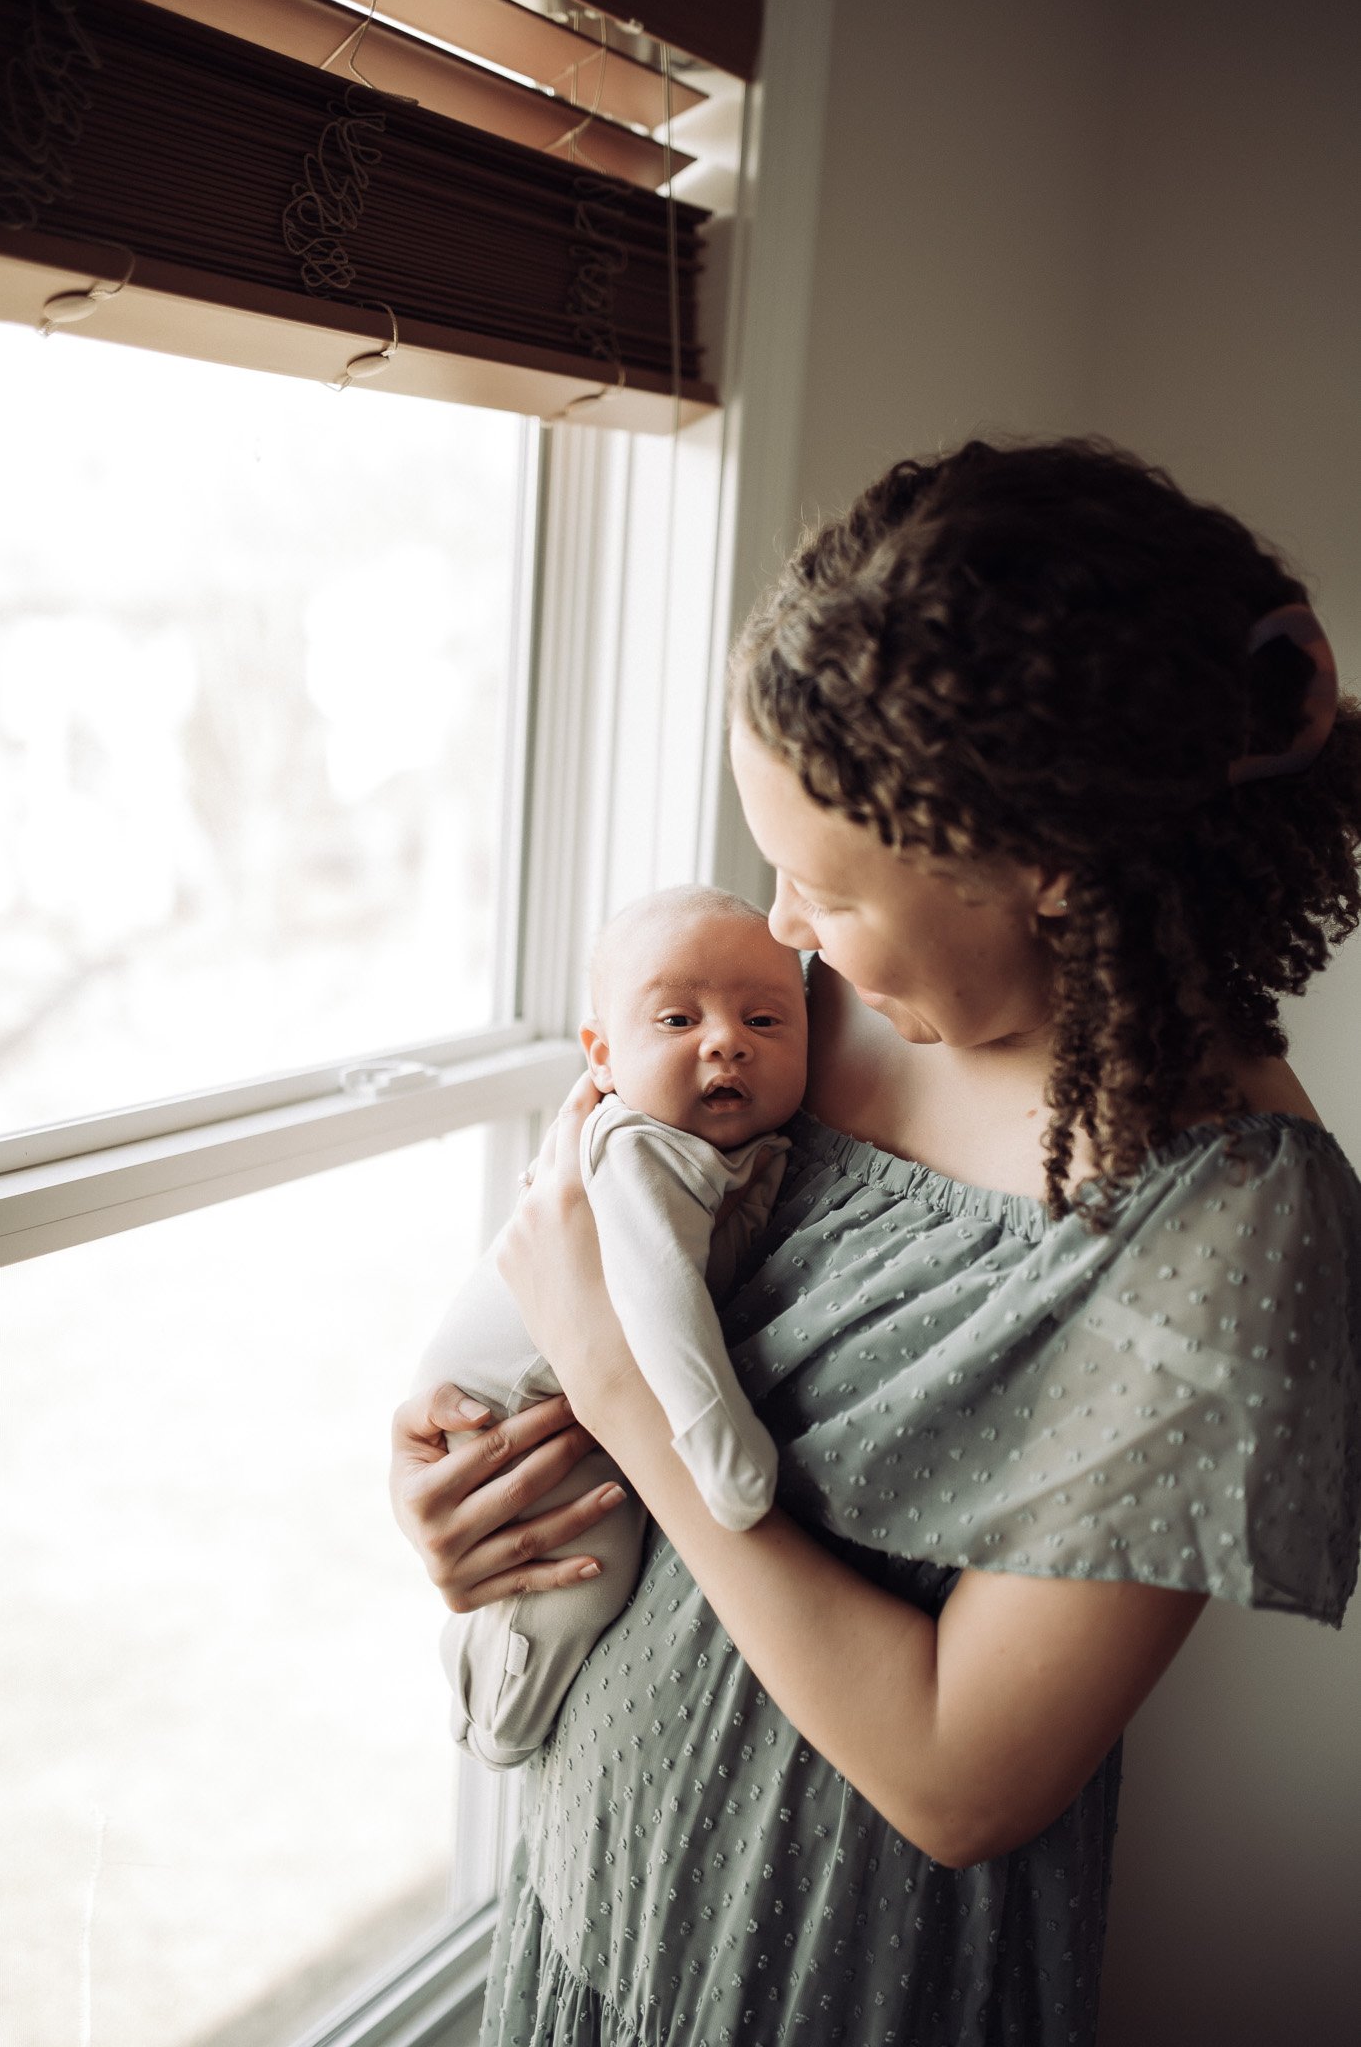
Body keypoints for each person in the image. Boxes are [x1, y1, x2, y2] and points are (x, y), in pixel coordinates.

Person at [389, 437, 1361, 2046]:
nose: (776, 927)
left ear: (1036, 879)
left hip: (817, 1971)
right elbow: (578, 1228)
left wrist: (623, 1391)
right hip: (596, 1873)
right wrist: (469, 1488)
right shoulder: (798, 1019)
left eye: (823, 887)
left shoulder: (1234, 1233)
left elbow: (958, 1780)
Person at [414, 885, 807, 1769]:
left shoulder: (735, 1150)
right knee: (578, 1577)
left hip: (575, 1392)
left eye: (766, 1020)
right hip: (511, 1411)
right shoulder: (636, 1145)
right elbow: (659, 1296)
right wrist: (719, 1445)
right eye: (675, 1018)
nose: (724, 1040)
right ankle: (492, 1707)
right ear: (603, 1056)